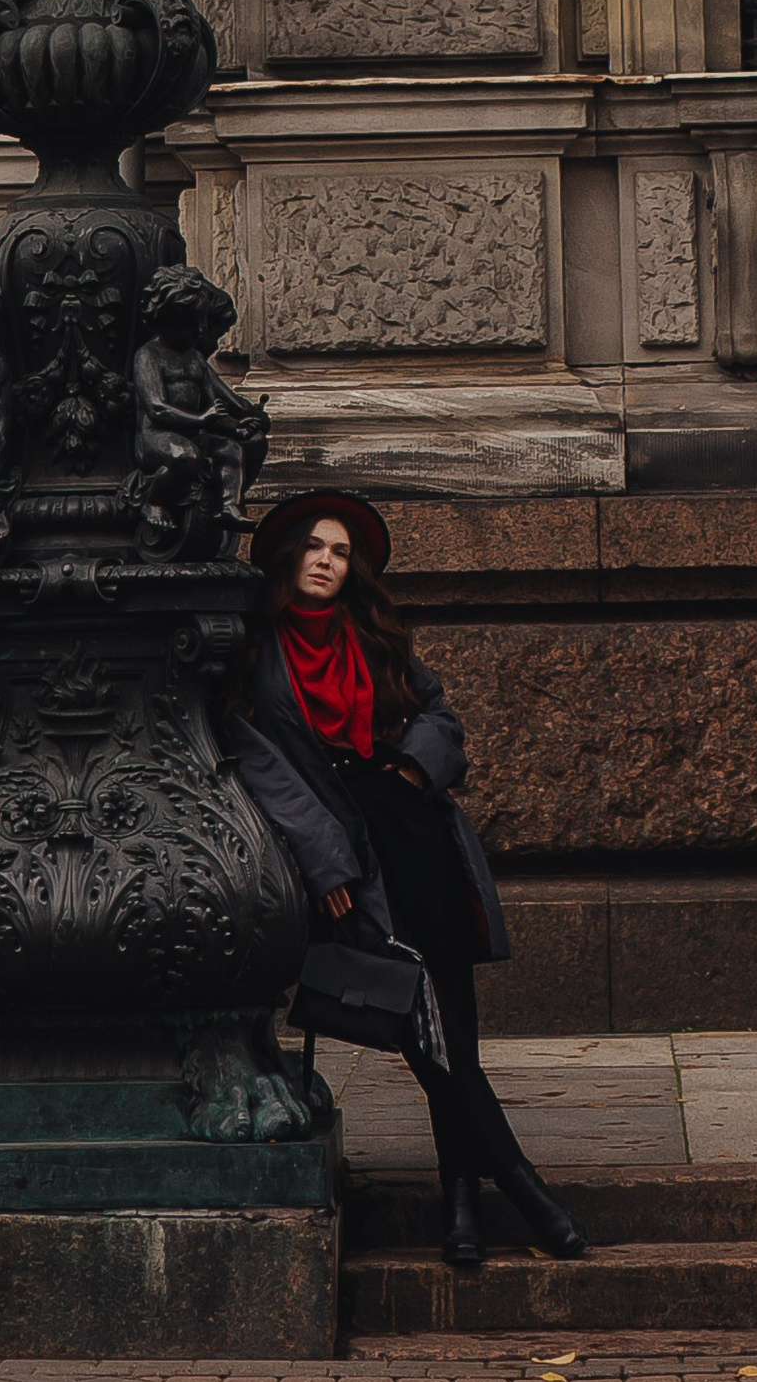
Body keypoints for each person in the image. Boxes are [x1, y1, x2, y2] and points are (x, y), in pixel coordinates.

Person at [230, 488, 586, 1270]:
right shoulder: (254, 653)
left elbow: (438, 714)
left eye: (341, 552)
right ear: (288, 559)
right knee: (423, 1020)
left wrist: (417, 770)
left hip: (416, 833)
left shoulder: (371, 633)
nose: (328, 562)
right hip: (351, 857)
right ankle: (526, 1192)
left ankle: (461, 1205)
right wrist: (326, 861)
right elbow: (263, 771)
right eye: (316, 549)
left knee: (452, 1019)